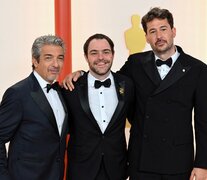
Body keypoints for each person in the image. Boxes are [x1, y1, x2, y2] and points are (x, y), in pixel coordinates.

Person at [63, 7, 207, 180]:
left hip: (177, 161)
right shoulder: (135, 63)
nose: (159, 36)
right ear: (146, 37)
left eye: (163, 29)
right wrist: (80, 74)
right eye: (152, 31)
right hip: (141, 160)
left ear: (173, 31)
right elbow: (106, 77)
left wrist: (202, 164)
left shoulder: (197, 69)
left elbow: (203, 123)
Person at [62, 33, 134, 180]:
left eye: (106, 52)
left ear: (113, 55)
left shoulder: (127, 84)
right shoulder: (70, 88)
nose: (101, 57)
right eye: (94, 53)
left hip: (116, 169)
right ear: (86, 57)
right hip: (81, 170)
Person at [0, 35, 68, 180]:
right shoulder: (18, 93)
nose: (56, 64)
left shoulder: (61, 92)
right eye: (48, 57)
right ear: (35, 61)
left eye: (60, 58)